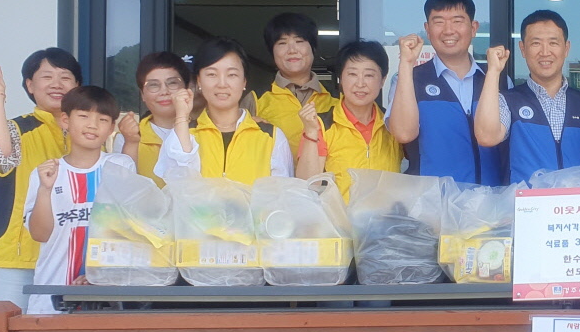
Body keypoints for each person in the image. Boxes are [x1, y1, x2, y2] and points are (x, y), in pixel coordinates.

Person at [23, 85, 136, 332]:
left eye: (103, 119)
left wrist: (103, 273)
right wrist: (43, 189)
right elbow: (39, 233)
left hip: (103, 293)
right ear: (64, 120)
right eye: (84, 116)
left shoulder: (120, 168)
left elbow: (130, 231)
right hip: (51, 286)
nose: (93, 124)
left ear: (111, 128)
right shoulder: (49, 171)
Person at [0, 48, 104, 307]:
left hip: (77, 262)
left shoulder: (94, 134)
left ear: (77, 85)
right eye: (47, 77)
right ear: (30, 85)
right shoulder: (17, 129)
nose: (57, 84)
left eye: (65, 77)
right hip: (20, 261)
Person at [387, 0, 507, 185]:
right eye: (439, 22)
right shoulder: (408, 79)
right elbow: (403, 133)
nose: (448, 30)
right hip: (433, 207)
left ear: (474, 27)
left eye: (458, 21)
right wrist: (406, 63)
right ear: (427, 29)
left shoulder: (498, 79)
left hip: (489, 205)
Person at [473, 9, 580, 184]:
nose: (545, 52)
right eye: (536, 43)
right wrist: (493, 71)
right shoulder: (509, 101)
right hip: (526, 208)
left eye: (553, 43)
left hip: (576, 207)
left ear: (566, 48)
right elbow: (487, 137)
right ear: (523, 49)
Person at [157, 37, 293, 183]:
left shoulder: (271, 136)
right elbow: (178, 186)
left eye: (232, 75)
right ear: (199, 81)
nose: (222, 84)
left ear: (244, 81)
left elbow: (281, 196)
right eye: (211, 74)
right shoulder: (182, 134)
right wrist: (182, 118)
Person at [295, 40, 403, 201]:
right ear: (340, 78)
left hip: (385, 222)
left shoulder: (393, 124)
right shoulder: (322, 125)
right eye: (352, 74)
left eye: (369, 75)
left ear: (382, 80)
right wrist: (311, 132)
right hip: (340, 223)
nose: (360, 84)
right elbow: (308, 184)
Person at [254, 12, 337, 154]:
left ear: (313, 48)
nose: (292, 50)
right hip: (275, 176)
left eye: (299, 41)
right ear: (271, 52)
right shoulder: (256, 99)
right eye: (282, 43)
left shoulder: (336, 98)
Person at [132, 52, 192, 184]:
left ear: (187, 89)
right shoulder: (131, 137)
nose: (164, 91)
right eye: (153, 85)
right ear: (142, 94)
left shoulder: (204, 131)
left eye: (172, 83)